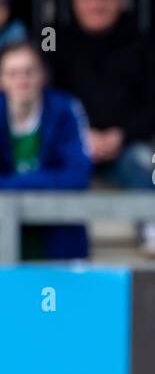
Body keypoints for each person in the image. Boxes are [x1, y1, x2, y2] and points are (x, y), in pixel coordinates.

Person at [47, 0, 155, 257]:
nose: (96, 5)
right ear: (74, 1)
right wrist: (79, 137)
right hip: (70, 146)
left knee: (148, 161)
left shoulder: (141, 43)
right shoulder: (53, 41)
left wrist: (121, 136)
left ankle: (153, 227)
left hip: (124, 148)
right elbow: (47, 99)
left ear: (120, 1)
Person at [0, 41, 92, 260]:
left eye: (29, 72)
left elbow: (77, 176)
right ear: (1, 80)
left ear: (42, 75)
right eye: (12, 73)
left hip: (59, 242)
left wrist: (10, 185)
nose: (21, 80)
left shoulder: (65, 109)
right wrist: (46, 181)